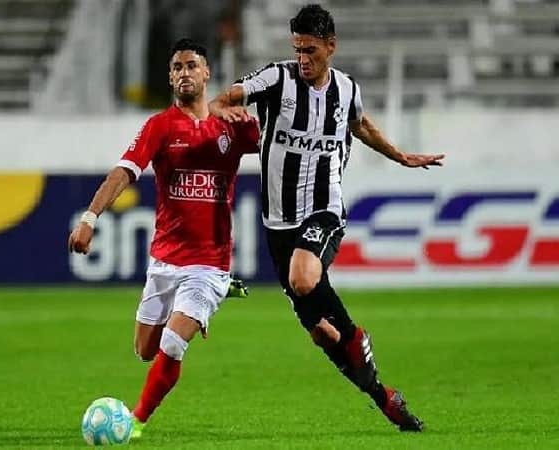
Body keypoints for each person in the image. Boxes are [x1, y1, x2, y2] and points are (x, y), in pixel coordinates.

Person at [209, 4, 445, 432]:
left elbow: (362, 126)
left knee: (303, 278)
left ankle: (359, 345)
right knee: (325, 334)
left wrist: (401, 156)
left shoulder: (347, 90)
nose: (302, 58)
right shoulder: (276, 78)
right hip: (277, 224)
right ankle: (385, 398)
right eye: (297, 49)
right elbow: (223, 99)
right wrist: (222, 108)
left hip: (325, 209)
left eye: (311, 50)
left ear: (331, 46)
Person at [68, 38, 259, 439]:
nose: (184, 73)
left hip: (209, 262)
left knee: (172, 344)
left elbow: (281, 150)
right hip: (165, 260)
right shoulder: (159, 126)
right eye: (177, 67)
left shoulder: (232, 125)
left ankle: (134, 422)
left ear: (207, 73)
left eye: (192, 65)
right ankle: (215, 295)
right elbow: (123, 172)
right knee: (146, 350)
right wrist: (90, 217)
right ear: (170, 77)